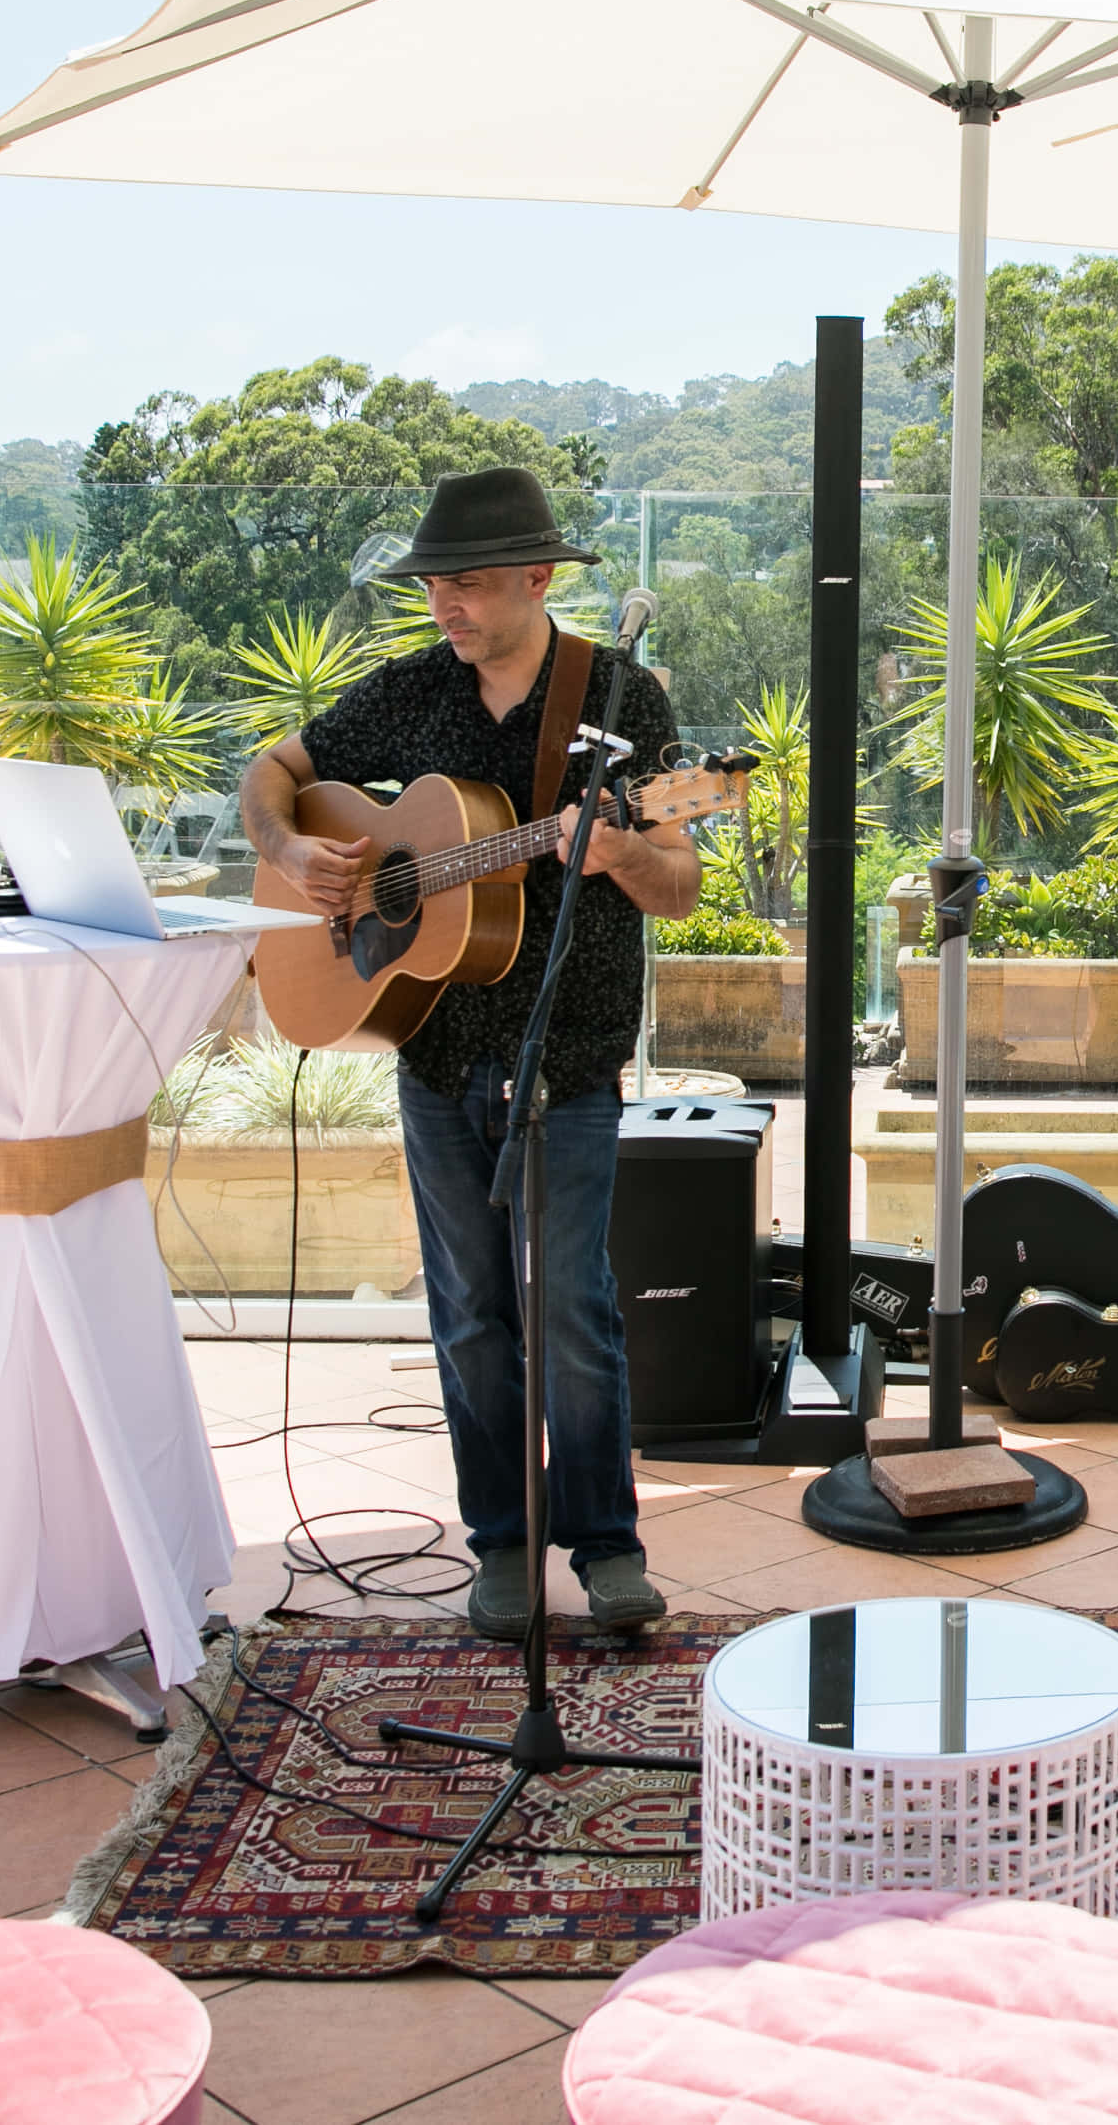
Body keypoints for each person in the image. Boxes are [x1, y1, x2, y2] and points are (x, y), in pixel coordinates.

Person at [238, 468, 702, 1641]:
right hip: (435, 1049)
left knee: (574, 1310)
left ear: (538, 579)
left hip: (569, 1049)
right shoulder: (407, 695)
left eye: (472, 585)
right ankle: (500, 1542)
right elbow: (271, 774)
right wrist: (295, 856)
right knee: (470, 1312)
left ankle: (605, 1546)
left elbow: (682, 885)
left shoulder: (619, 696)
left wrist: (617, 858)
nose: (447, 605)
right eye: (436, 584)